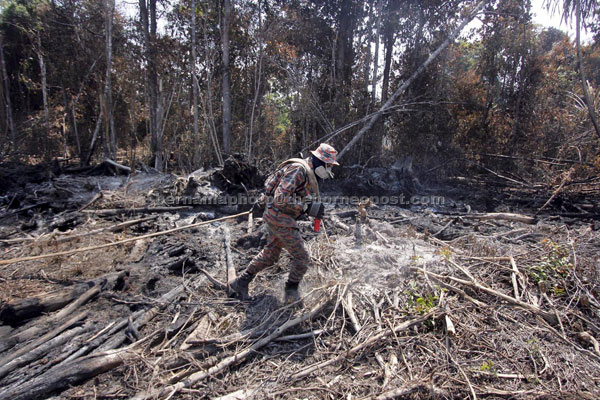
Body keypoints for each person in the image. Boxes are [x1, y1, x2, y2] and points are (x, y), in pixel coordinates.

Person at [229, 143, 340, 303]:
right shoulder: (299, 170)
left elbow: (293, 196)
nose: (329, 169)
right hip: (280, 217)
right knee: (302, 258)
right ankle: (291, 293)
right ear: (320, 161)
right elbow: (280, 198)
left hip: (279, 216)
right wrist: (307, 208)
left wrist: (309, 207)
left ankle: (240, 282)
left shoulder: (307, 173)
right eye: (328, 165)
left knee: (271, 255)